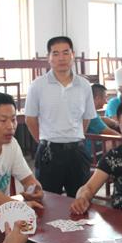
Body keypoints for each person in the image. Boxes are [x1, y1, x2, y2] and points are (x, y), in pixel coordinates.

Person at [25, 36, 97, 198]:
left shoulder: (84, 85)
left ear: (73, 55)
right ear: (48, 58)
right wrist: (45, 141)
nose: (61, 58)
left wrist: (73, 137)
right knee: (48, 201)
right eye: (55, 53)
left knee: (79, 200)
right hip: (49, 153)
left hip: (77, 153)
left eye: (65, 52)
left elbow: (86, 118)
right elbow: (30, 120)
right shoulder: (38, 85)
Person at [85, 84, 120, 154]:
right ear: (97, 98)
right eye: (105, 98)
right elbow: (113, 134)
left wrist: (112, 122)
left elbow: (99, 120)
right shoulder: (91, 114)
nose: (106, 102)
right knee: (118, 141)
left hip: (88, 145)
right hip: (90, 151)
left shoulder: (87, 109)